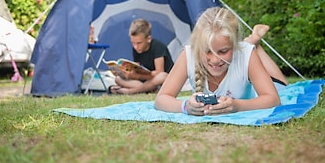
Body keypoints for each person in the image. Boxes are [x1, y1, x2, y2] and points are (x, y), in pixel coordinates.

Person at [154, 7, 288, 115]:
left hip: (263, 80)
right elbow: (161, 99)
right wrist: (184, 107)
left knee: (283, 85)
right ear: (198, 47)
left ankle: (254, 43)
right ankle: (252, 41)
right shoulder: (188, 54)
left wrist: (238, 105)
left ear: (235, 47)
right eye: (207, 51)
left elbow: (273, 99)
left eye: (223, 51)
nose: (215, 60)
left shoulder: (245, 54)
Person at [108, 19, 174, 94]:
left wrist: (137, 76)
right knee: (118, 79)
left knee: (162, 76)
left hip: (163, 80)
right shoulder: (136, 49)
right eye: (133, 43)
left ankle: (131, 91)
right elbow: (136, 68)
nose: (136, 47)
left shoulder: (158, 46)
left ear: (149, 39)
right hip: (148, 80)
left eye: (139, 43)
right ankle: (148, 89)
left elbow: (159, 72)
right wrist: (123, 73)